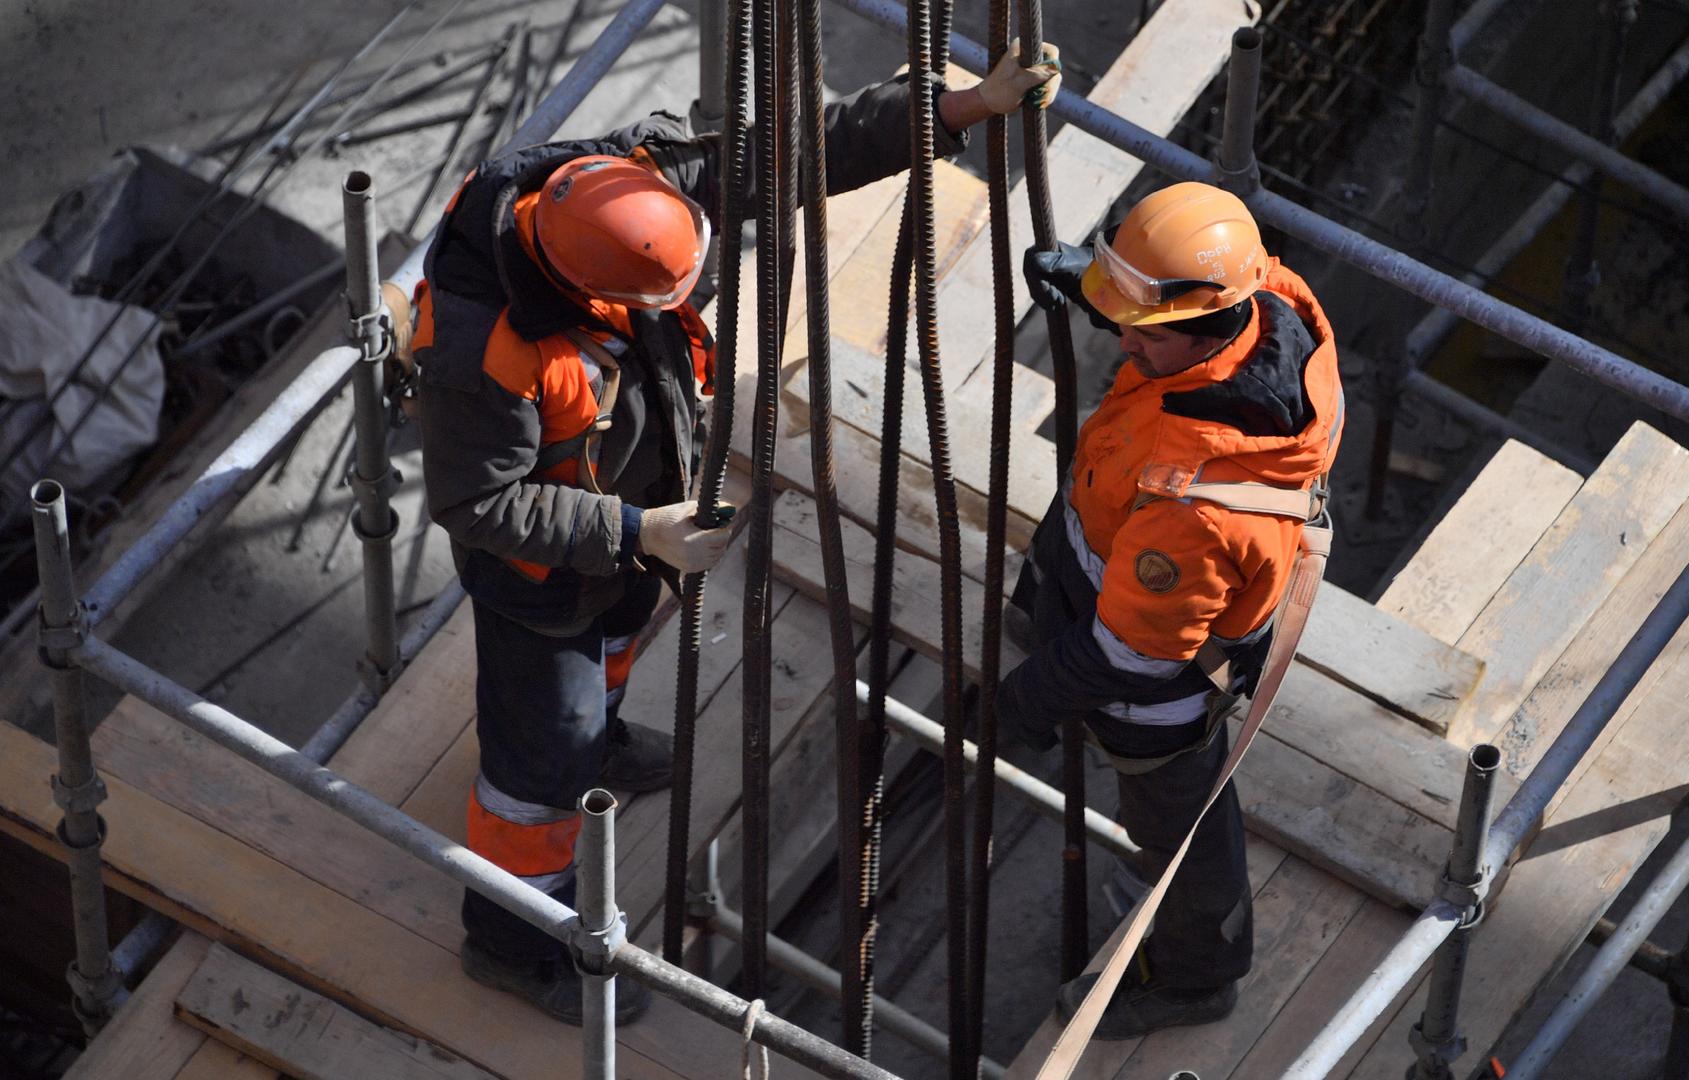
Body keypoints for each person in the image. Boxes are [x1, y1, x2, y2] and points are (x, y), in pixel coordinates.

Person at [411, 45, 1063, 1026]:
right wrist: (638, 528)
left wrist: (964, 107)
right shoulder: (480, 348)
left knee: (622, 639)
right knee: (536, 777)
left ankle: (604, 737)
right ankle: (514, 944)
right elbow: (480, 506)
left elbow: (795, 152)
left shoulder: (629, 181)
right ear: (596, 295)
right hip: (542, 569)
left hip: (629, 513)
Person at [998, 181, 1343, 1039]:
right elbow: (1181, 300)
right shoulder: (1266, 298)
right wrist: (1099, 283)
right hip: (1106, 546)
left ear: (1201, 331)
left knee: (1177, 827)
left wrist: (1027, 701)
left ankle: (1197, 977)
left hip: (1154, 682)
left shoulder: (1198, 509)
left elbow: (1133, 658)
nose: (1120, 339)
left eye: (1139, 330)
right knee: (1057, 615)